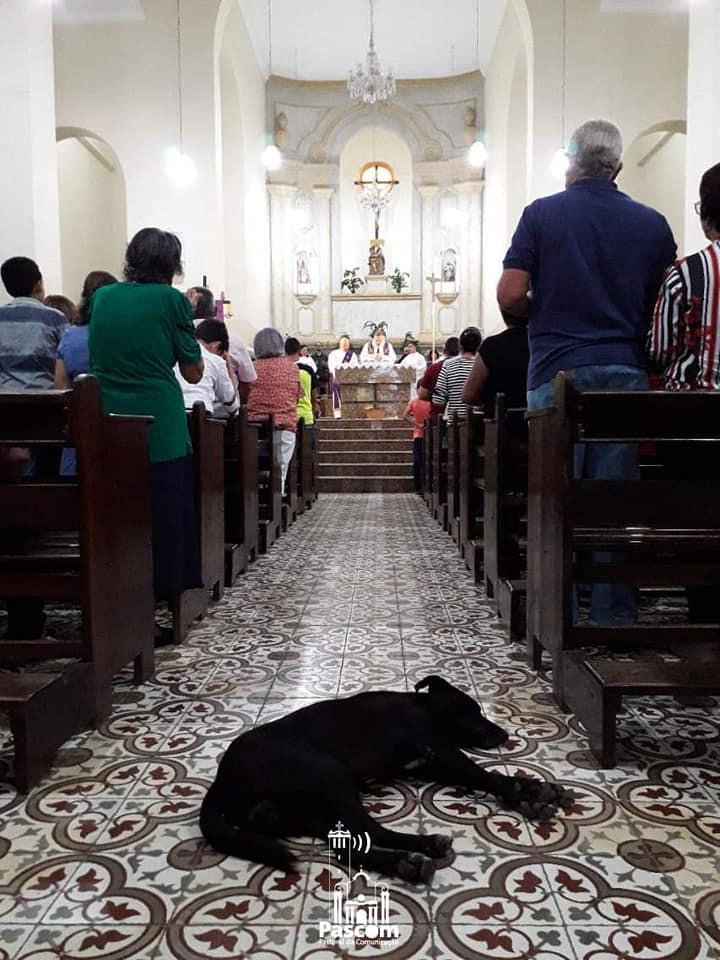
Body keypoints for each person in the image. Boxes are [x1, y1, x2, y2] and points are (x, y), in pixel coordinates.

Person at [498, 118, 677, 626]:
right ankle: (612, 617)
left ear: (570, 162)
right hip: (624, 374)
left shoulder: (542, 215)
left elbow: (510, 294)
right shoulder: (653, 224)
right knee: (612, 503)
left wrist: (548, 308)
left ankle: (553, 613)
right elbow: (664, 300)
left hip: (557, 373)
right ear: (618, 166)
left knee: (555, 498)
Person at [89, 228, 204, 634]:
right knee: (163, 517)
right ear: (172, 264)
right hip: (159, 426)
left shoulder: (102, 296)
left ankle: (115, 601)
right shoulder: (172, 300)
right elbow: (193, 371)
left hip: (105, 422)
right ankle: (159, 604)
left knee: (116, 517)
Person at [649, 161, 720, 622]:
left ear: (706, 215)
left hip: (696, 422)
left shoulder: (689, 272)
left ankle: (705, 618)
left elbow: (659, 348)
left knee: (699, 524)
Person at [0, 257, 68, 639]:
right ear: (39, 283)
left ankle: (23, 607)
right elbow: (65, 367)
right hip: (43, 420)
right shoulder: (53, 319)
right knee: (42, 510)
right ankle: (36, 599)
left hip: (4, 421)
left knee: (11, 512)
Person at [54, 270, 118, 475]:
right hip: (117, 427)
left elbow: (59, 386)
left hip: (79, 431)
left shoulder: (71, 336)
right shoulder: (121, 334)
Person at [246, 327, 302, 495]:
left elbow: (243, 394)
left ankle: (254, 502)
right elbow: (297, 396)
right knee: (280, 470)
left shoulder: (251, 367)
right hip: (284, 427)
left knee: (254, 469)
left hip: (255, 430)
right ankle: (277, 499)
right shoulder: (292, 368)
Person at [0, 256, 67, 391]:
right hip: (44, 399)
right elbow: (67, 358)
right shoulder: (55, 317)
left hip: (5, 400)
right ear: (38, 284)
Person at [187, 284, 256, 400]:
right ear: (215, 311)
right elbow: (247, 382)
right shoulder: (233, 340)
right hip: (223, 410)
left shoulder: (175, 338)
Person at [462, 312, 529, 414]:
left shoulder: (491, 345)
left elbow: (468, 396)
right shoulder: (542, 342)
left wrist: (487, 399)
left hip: (501, 421)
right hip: (538, 419)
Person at [176, 318, 239, 420]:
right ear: (217, 346)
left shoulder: (176, 354)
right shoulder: (215, 361)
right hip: (200, 418)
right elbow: (232, 405)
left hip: (175, 412)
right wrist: (228, 368)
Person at [432, 327, 482, 421]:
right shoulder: (483, 365)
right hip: (479, 424)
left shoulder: (448, 365)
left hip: (455, 423)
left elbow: (438, 400)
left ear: (460, 346)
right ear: (479, 346)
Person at [418, 337, 459, 418]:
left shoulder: (435, 368)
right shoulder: (470, 366)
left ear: (444, 350)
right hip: (462, 415)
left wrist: (436, 396)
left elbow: (422, 395)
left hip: (438, 414)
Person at [286, 336, 319, 426]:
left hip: (288, 418)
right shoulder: (308, 370)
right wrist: (314, 408)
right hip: (306, 416)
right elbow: (314, 395)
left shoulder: (282, 370)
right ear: (298, 351)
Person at [404, 394, 431, 492]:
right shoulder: (431, 401)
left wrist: (417, 424)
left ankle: (418, 487)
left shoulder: (414, 401)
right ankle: (429, 486)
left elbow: (405, 416)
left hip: (418, 435)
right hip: (431, 434)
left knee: (417, 461)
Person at [327, 334, 359, 418]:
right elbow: (331, 365)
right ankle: (338, 414)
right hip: (337, 378)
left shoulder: (352, 355)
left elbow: (356, 367)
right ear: (340, 344)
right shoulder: (334, 354)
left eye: (346, 343)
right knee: (337, 396)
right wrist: (338, 372)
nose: (345, 344)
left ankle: (350, 412)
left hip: (349, 380)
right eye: (343, 343)